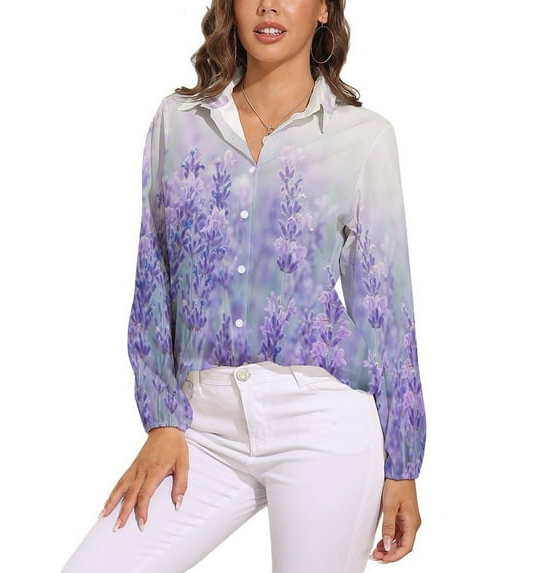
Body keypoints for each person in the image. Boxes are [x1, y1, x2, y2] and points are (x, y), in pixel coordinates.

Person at [61, 1, 426, 571]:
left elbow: (385, 309)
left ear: (324, 10)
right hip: (201, 426)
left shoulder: (363, 137)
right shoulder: (179, 121)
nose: (269, 5)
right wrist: (162, 419)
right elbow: (152, 277)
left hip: (322, 422)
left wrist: (402, 465)